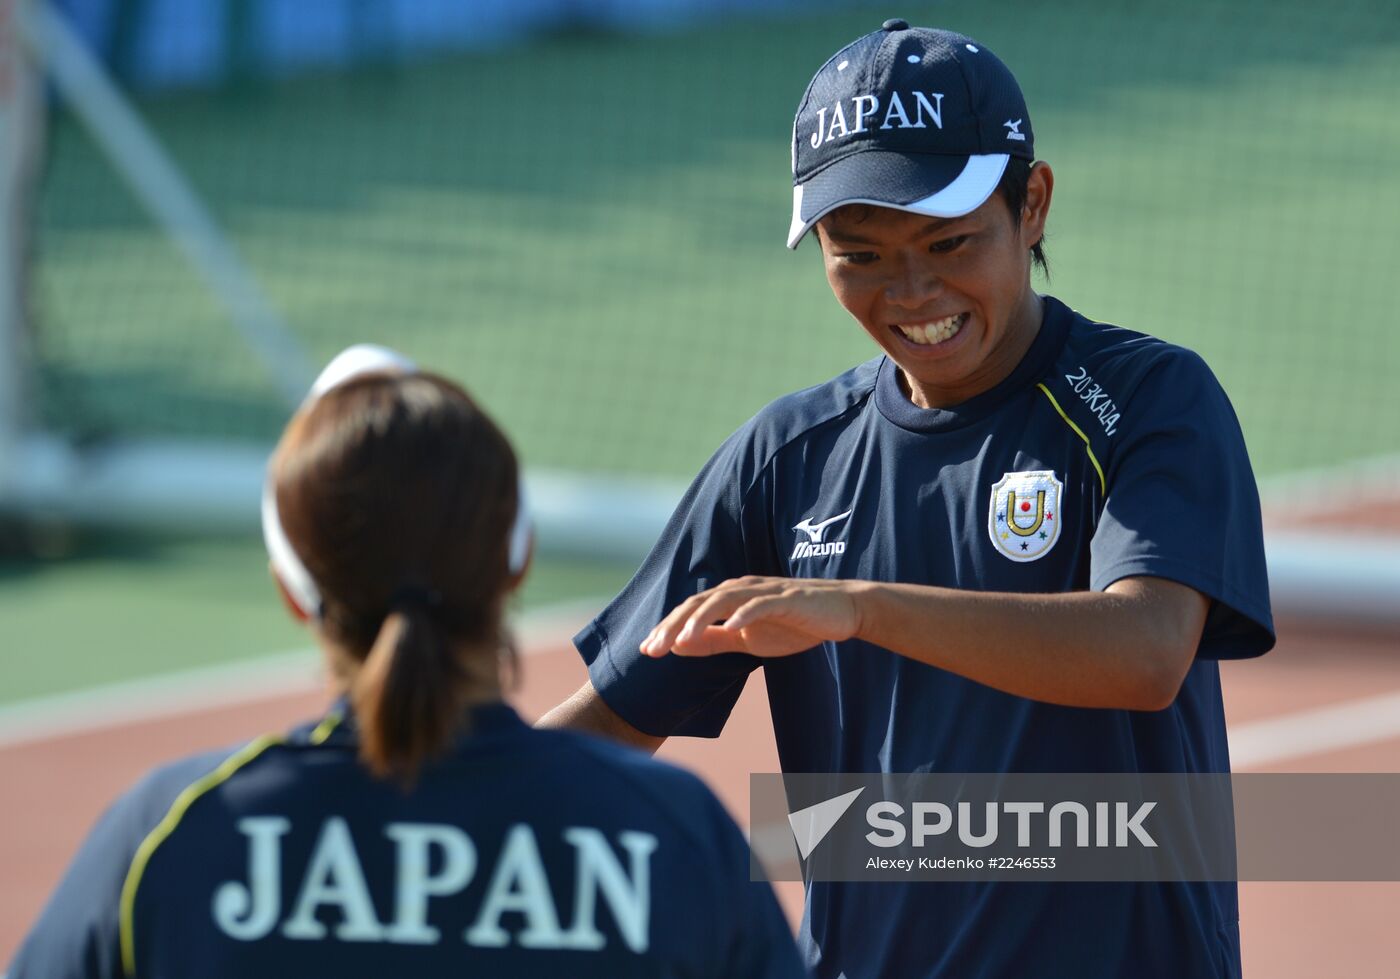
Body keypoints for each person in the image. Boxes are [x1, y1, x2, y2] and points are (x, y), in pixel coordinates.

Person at [540, 20, 1275, 979]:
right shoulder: (787, 457)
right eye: (861, 254)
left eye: (951, 240)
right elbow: (606, 721)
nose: (913, 289)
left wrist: (858, 607)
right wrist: (389, 780)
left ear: (1035, 204)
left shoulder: (1148, 400)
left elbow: (1143, 652)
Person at [10, 346, 805, 979]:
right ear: (517, 557)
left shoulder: (172, 836)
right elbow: (899, 833)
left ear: (295, 591)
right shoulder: (672, 837)